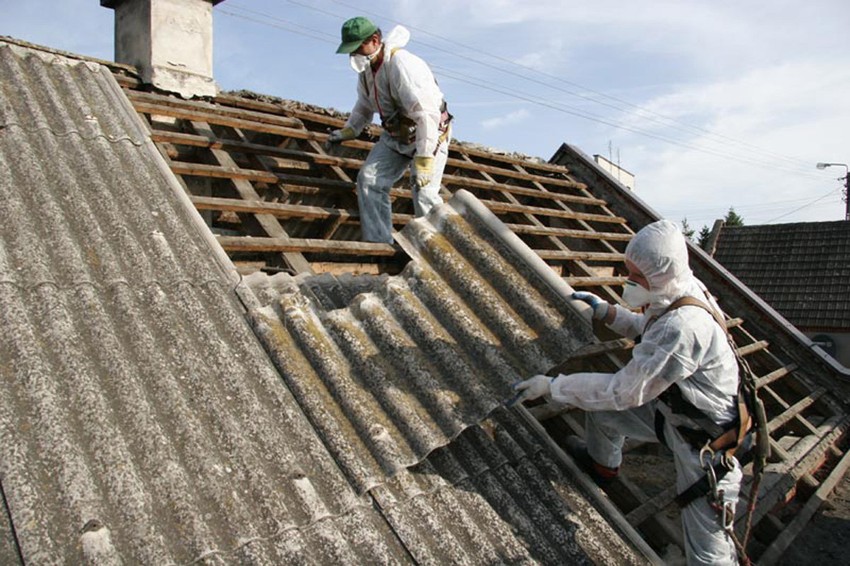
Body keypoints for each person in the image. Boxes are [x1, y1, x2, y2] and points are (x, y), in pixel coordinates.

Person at [512, 219, 745, 566]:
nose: (630, 283)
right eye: (629, 273)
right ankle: (603, 466)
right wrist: (609, 313)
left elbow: (623, 390)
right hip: (672, 411)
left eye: (637, 278)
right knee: (601, 413)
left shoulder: (684, 327)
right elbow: (649, 328)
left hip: (705, 443)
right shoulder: (677, 290)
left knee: (709, 552)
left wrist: (554, 386)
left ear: (661, 273)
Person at [326, 16, 452, 244]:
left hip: (429, 134)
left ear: (375, 40)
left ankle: (440, 248)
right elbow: (364, 106)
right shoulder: (366, 72)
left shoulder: (401, 64)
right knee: (369, 180)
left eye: (358, 48)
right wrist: (349, 130)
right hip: (396, 136)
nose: (354, 55)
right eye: (351, 51)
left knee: (424, 193)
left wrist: (424, 159)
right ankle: (379, 243)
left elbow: (426, 114)